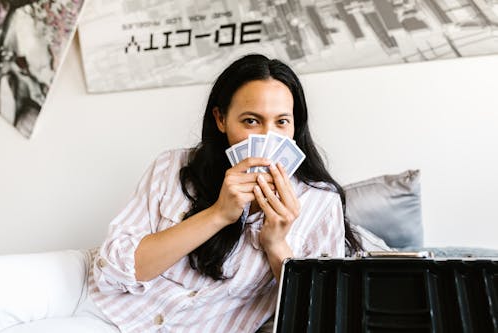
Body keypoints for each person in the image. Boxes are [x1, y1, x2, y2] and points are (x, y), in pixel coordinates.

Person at [89, 54, 361, 333]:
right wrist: (217, 214)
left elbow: (322, 317)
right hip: (110, 315)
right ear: (220, 119)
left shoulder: (320, 202)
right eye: (252, 121)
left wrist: (277, 245)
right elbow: (111, 272)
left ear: (295, 126)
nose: (268, 138)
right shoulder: (171, 167)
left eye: (281, 122)